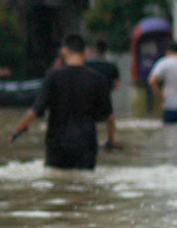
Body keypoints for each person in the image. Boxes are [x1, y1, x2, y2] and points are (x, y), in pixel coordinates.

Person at [8, 34, 113, 170]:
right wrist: (111, 140)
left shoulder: (53, 76)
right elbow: (109, 117)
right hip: (86, 144)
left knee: (57, 184)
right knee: (85, 185)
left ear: (64, 50)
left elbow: (36, 110)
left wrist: (18, 130)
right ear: (85, 52)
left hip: (57, 143)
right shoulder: (97, 79)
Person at [85, 39, 122, 149]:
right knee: (110, 117)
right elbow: (116, 84)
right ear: (107, 50)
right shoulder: (112, 65)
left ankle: (89, 140)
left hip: (87, 95)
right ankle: (111, 140)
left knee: (87, 117)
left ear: (94, 49)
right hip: (105, 95)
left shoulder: (87, 63)